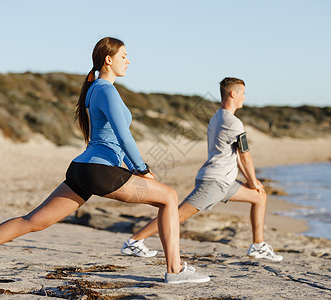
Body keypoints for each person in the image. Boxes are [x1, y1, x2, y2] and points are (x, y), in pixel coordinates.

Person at [0, 37, 209, 284]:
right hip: (99, 170)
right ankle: (175, 269)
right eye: (123, 56)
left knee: (33, 221)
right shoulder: (106, 90)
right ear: (108, 60)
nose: (128, 61)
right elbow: (124, 135)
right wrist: (141, 168)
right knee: (170, 197)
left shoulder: (94, 89)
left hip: (81, 169)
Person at [121, 77, 283, 262]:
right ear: (233, 94)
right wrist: (253, 181)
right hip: (214, 183)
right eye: (243, 94)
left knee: (259, 196)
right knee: (177, 214)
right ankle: (134, 241)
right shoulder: (233, 123)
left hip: (225, 181)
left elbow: (235, 155)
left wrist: (251, 183)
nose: (244, 98)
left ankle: (258, 246)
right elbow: (244, 156)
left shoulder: (216, 117)